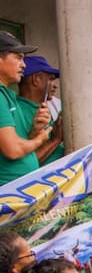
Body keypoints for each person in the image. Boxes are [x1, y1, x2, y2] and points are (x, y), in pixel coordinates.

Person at [0, 32, 51, 185]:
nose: (23, 65)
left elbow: (16, 141)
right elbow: (13, 150)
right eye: (18, 57)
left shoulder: (7, 95)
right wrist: (39, 139)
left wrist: (34, 131)